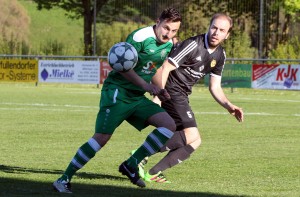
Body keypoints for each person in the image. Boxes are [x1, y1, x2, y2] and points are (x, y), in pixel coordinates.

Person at [52, 7, 182, 193]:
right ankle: (63, 179)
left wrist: (160, 90)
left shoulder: (168, 45)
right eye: (166, 28)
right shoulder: (139, 38)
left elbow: (155, 68)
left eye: (174, 31)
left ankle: (132, 163)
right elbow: (123, 68)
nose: (168, 34)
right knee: (102, 138)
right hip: (117, 93)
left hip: (136, 97)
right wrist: (146, 87)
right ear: (158, 21)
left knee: (168, 125)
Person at [138, 13, 244, 183]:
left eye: (221, 30)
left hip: (182, 95)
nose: (216, 32)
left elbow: (214, 86)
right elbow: (165, 69)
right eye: (214, 27)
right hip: (171, 91)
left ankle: (153, 172)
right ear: (209, 27)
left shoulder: (220, 55)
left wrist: (229, 106)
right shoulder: (193, 44)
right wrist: (158, 96)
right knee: (192, 133)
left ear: (227, 34)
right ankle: (140, 155)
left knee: (195, 141)